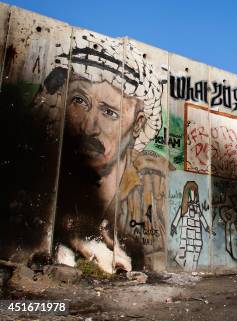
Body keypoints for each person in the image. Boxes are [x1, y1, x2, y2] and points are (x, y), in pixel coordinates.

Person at [41, 30, 166, 273]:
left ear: (138, 124)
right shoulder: (42, 175)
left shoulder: (153, 183)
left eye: (109, 112)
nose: (89, 127)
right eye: (79, 101)